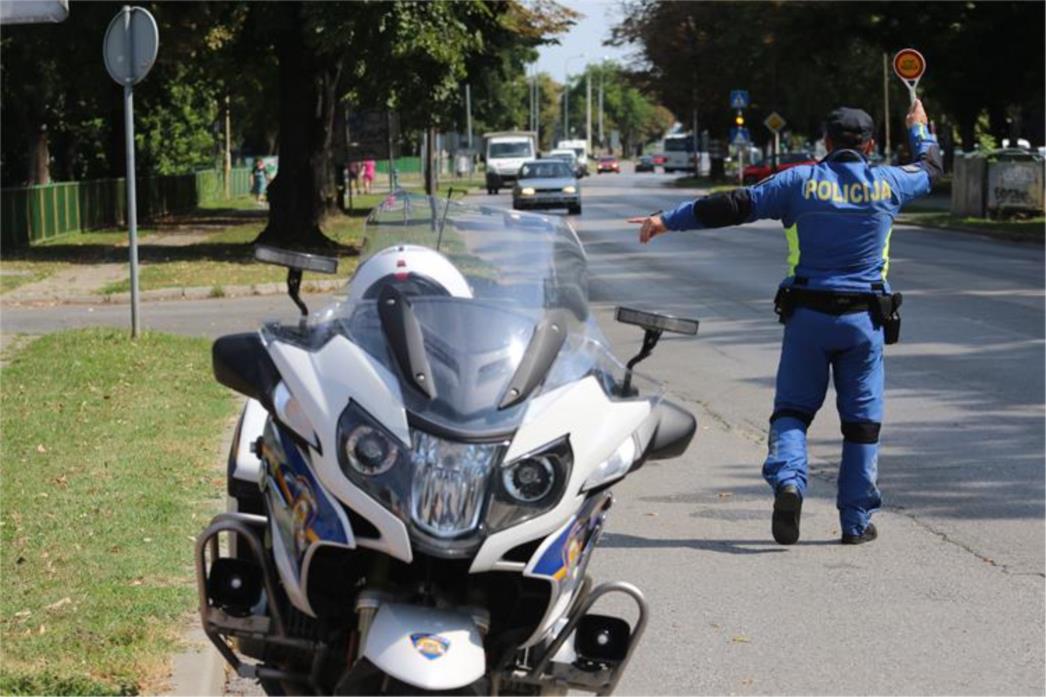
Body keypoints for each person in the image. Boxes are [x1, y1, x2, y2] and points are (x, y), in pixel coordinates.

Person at [628, 99, 942, 546]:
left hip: (809, 318)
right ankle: (855, 522)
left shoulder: (801, 180)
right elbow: (930, 168)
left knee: (793, 411)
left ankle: (790, 482)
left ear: (826, 143)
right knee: (861, 423)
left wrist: (667, 220)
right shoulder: (887, 183)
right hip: (863, 322)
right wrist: (919, 128)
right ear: (870, 145)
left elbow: (735, 205)